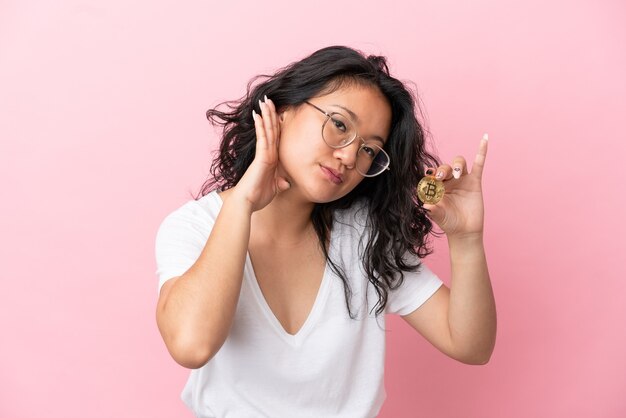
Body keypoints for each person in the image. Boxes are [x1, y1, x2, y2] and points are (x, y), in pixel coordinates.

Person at [154, 45, 496, 418]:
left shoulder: (364, 236)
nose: (350, 156)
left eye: (369, 150)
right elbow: (191, 346)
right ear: (282, 111)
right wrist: (242, 202)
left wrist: (466, 239)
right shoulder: (193, 227)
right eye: (339, 124)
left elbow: (470, 345)